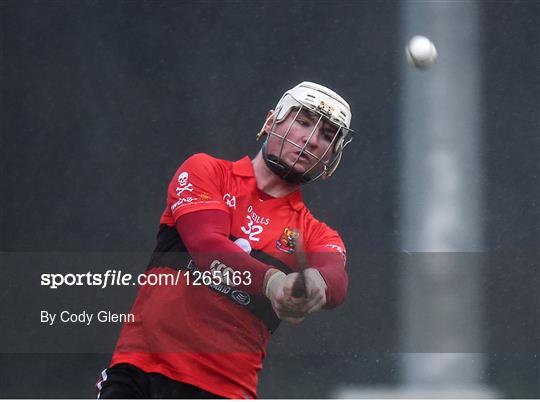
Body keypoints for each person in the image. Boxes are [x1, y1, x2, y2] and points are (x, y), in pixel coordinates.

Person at [97, 81, 354, 399]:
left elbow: (336, 278)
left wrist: (314, 285)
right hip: (139, 374)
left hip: (225, 391)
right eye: (303, 122)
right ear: (272, 121)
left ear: (332, 157)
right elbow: (207, 247)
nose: (312, 140)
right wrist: (272, 283)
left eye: (327, 136)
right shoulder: (206, 171)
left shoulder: (317, 233)